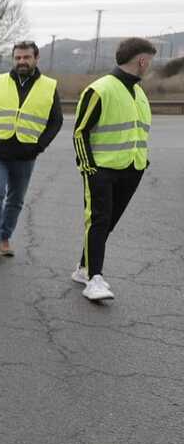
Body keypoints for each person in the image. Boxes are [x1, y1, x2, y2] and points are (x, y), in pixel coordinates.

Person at [71, 37, 155, 301]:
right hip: (102, 170)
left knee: (108, 223)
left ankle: (83, 268)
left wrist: (143, 161)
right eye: (149, 62)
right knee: (98, 219)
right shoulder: (100, 89)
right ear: (142, 61)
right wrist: (89, 167)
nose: (149, 67)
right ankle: (95, 278)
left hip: (133, 168)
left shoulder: (139, 92)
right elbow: (80, 131)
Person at [0, 41, 62, 260]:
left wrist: (40, 146)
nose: (22, 61)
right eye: (18, 58)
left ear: (35, 58)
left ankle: (5, 238)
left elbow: (56, 121)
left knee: (16, 199)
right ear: (13, 59)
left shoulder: (49, 86)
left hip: (25, 155)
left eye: (26, 57)